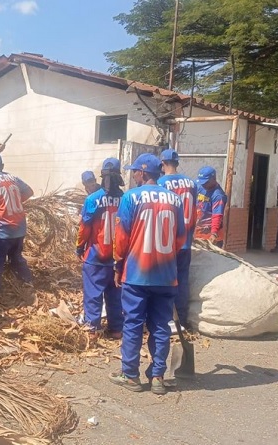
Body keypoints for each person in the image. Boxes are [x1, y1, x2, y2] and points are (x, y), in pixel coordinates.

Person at [111, 153, 186, 395]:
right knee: (161, 326)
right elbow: (180, 238)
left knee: (133, 323)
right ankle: (158, 377)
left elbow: (121, 236)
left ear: (142, 173)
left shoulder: (131, 197)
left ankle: (130, 375)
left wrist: (118, 264)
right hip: (166, 275)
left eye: (134, 171)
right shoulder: (174, 199)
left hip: (137, 274)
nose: (133, 175)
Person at [76, 158, 124, 340]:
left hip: (96, 255)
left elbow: (84, 227)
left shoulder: (93, 199)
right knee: (115, 294)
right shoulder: (125, 198)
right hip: (118, 257)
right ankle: (116, 329)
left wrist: (79, 247)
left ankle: (92, 329)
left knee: (93, 294)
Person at [0, 153, 34, 302]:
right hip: (20, 228)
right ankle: (28, 282)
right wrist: (15, 201)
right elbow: (29, 191)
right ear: (2, 166)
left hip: (3, 231)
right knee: (16, 257)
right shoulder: (14, 178)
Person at [157, 149, 198, 328]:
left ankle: (167, 319)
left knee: (165, 280)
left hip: (168, 241)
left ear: (162, 163)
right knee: (182, 280)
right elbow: (195, 210)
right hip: (186, 239)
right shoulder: (191, 183)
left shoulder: (161, 183)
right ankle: (182, 319)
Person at [194, 166, 227, 248]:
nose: (203, 184)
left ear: (213, 179)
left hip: (210, 236)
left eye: (206, 182)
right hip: (196, 233)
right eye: (201, 181)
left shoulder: (218, 195)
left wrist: (214, 233)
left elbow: (217, 216)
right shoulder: (199, 185)